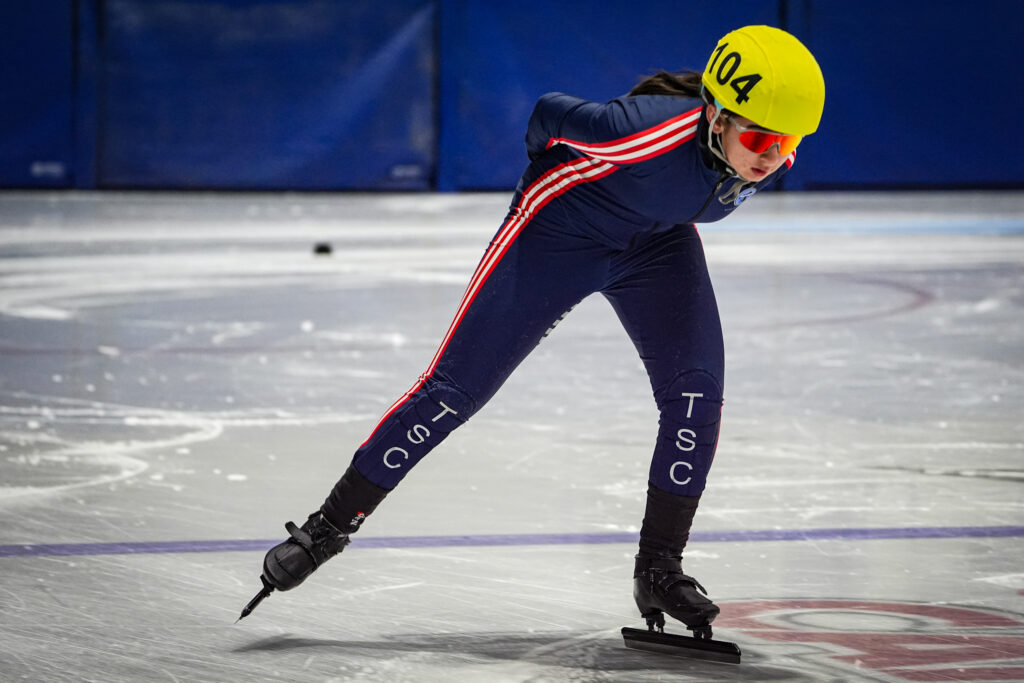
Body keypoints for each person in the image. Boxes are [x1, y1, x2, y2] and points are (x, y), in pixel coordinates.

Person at [240, 25, 825, 634]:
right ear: (716, 116)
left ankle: (659, 569)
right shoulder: (642, 130)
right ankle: (327, 529)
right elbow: (548, 116)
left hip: (654, 245)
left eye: (788, 145)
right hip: (558, 232)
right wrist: (543, 194)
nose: (770, 157)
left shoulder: (748, 151)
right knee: (453, 393)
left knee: (698, 394)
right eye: (759, 136)